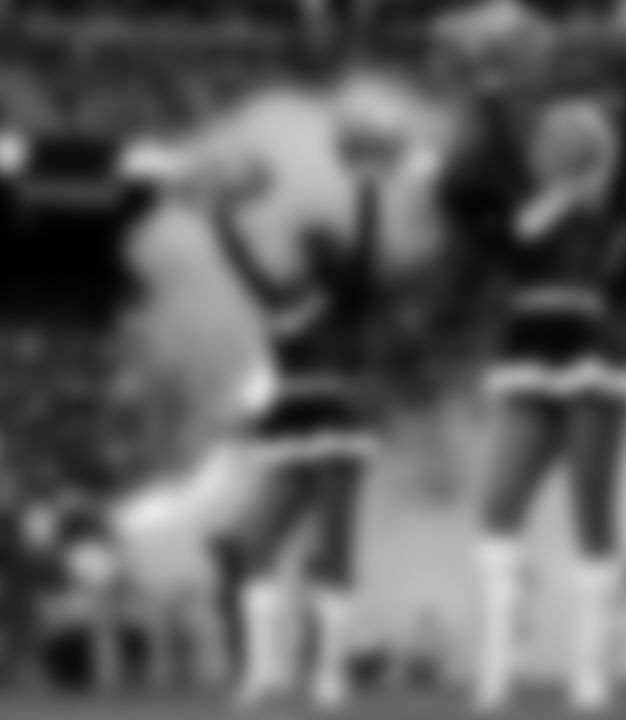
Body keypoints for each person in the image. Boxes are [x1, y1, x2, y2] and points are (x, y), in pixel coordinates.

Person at [467, 94, 626, 712]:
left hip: (589, 353)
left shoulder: (607, 206)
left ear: (584, 149)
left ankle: (590, 678)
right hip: (526, 354)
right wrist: (487, 89)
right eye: (540, 135)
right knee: (496, 511)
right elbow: (498, 157)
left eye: (556, 135)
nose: (541, 143)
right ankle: (498, 672)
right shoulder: (527, 206)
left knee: (591, 517)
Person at [203, 118, 394, 709]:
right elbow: (236, 258)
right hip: (288, 422)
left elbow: (367, 246)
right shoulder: (277, 296)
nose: (308, 249)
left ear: (330, 255)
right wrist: (221, 210)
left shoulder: (349, 297)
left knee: (336, 547)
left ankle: (330, 674)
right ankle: (265, 672)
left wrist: (366, 186)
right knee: (257, 546)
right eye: (307, 243)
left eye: (318, 243)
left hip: (337, 417)